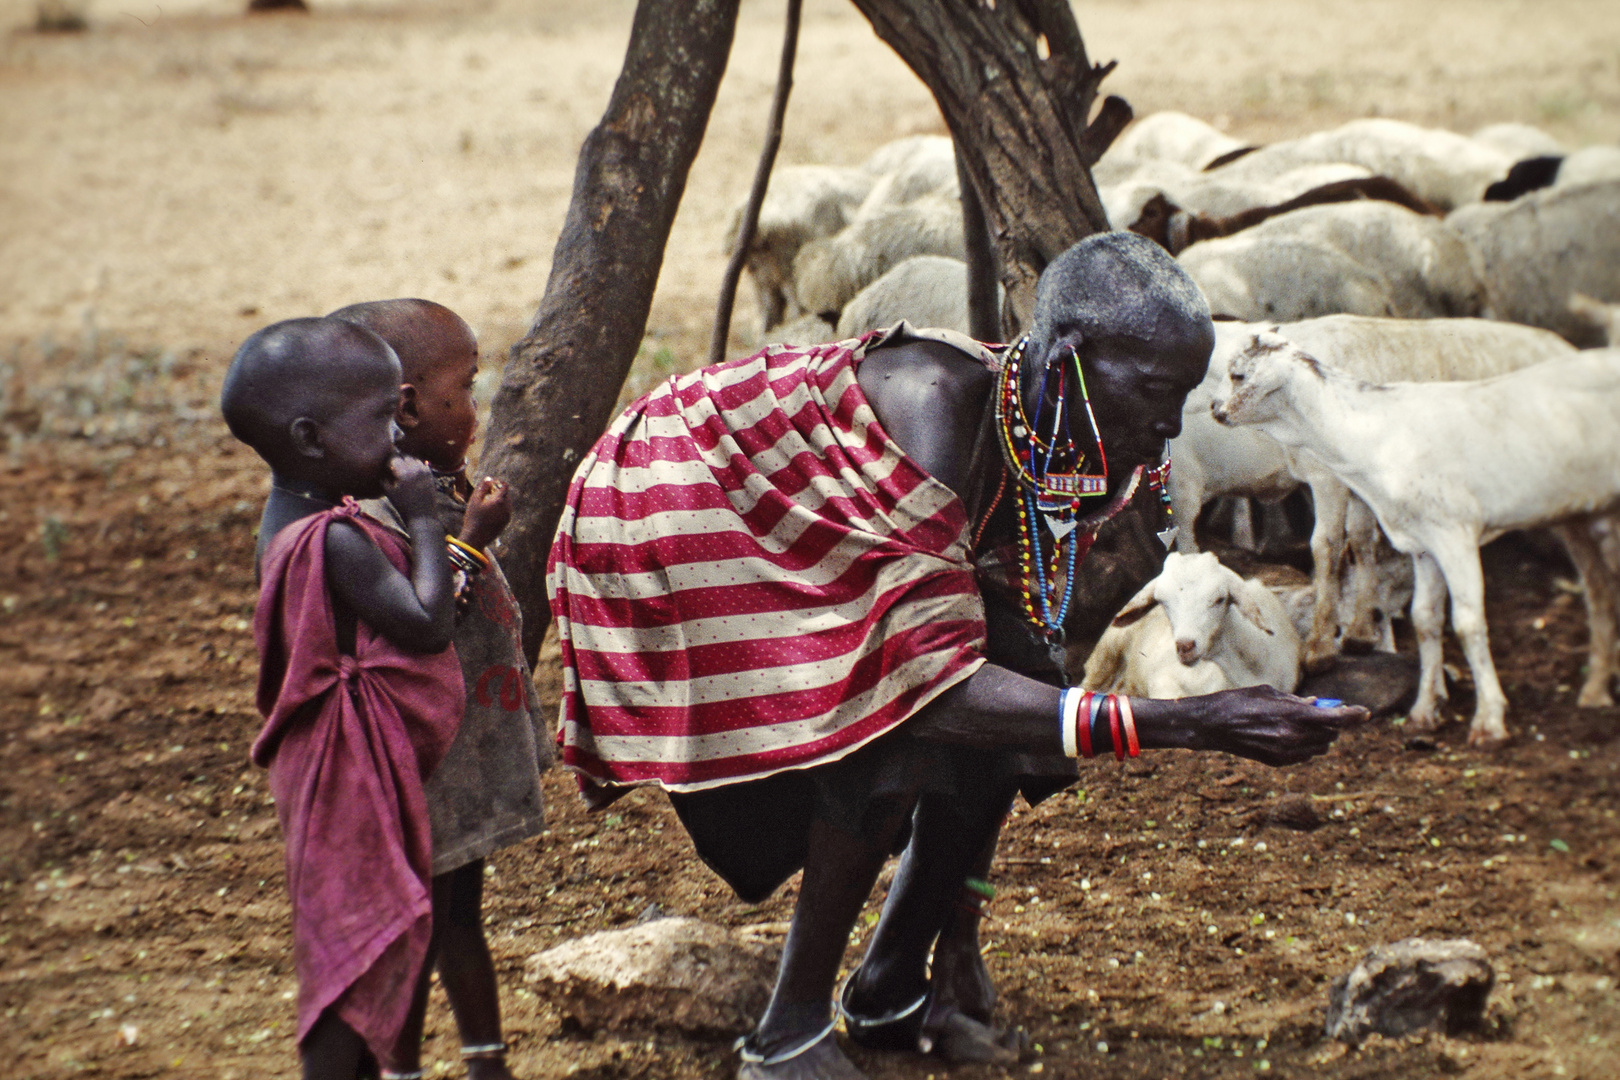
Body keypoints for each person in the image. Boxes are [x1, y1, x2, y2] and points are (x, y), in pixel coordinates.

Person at [547, 232, 1366, 1080]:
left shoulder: (1046, 431)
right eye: (1157, 392)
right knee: (891, 726)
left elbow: (997, 676)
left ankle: (895, 985)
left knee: (1018, 703)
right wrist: (1192, 722)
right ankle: (785, 1033)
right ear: (1074, 359)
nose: (1169, 424)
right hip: (674, 504)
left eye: (1182, 396)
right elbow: (933, 691)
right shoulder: (934, 411)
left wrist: (961, 938)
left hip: (770, 512)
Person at [223, 317, 462, 1080]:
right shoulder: (333, 541)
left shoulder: (291, 518)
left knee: (354, 928)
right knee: (359, 936)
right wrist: (424, 518)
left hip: (329, 768)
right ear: (312, 437)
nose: (399, 440)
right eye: (383, 423)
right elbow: (426, 623)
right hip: (345, 778)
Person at [331, 298, 549, 1080]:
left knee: (461, 915)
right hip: (425, 765)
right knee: (424, 926)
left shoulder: (423, 489)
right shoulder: (377, 517)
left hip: (457, 755)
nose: (477, 406)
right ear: (410, 407)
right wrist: (471, 538)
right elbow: (427, 617)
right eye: (467, 389)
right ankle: (403, 1070)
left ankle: (486, 1062)